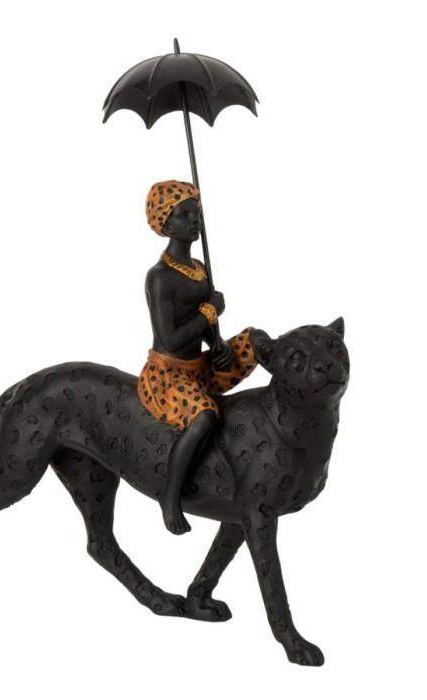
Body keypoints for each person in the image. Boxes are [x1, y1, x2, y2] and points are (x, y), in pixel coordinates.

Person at [138, 180, 258, 535]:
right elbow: (170, 339)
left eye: (197, 213)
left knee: (254, 342)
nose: (195, 220)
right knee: (205, 416)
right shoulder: (159, 278)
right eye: (185, 214)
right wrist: (209, 312)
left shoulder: (199, 267)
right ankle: (170, 496)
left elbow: (205, 325)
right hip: (169, 376)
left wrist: (218, 343)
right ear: (166, 223)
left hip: (201, 368)